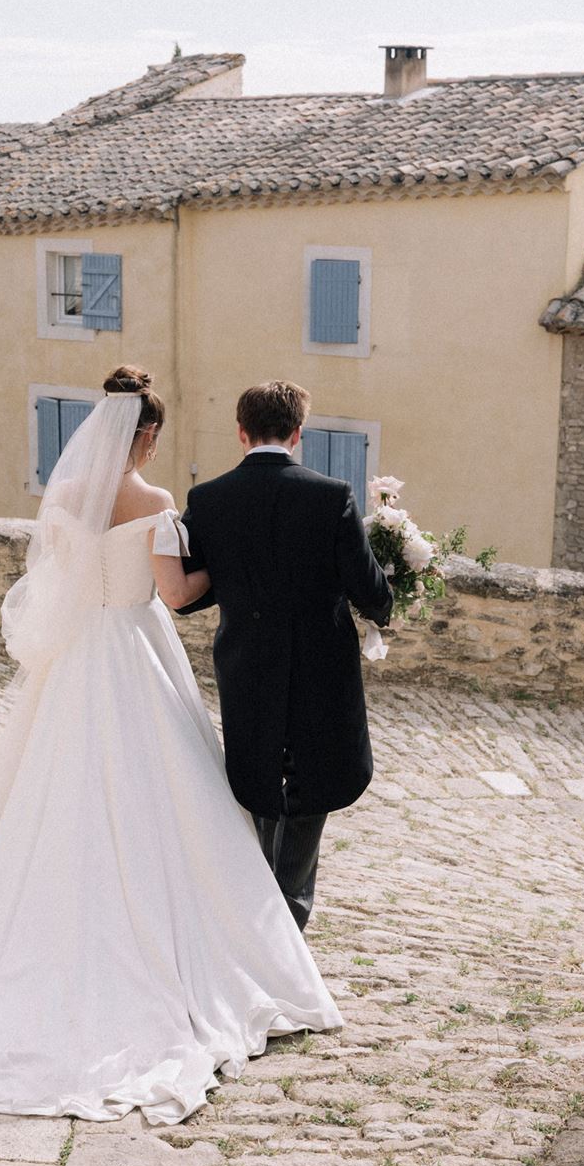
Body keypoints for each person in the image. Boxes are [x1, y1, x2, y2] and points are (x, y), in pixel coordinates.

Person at [0, 366, 340, 1125]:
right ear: (146, 435)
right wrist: (225, 567)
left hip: (75, 660)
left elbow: (58, 578)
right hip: (135, 647)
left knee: (55, 790)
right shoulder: (155, 502)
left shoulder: (63, 496)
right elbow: (177, 592)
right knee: (166, 792)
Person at [176, 380, 394, 931]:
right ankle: (285, 924)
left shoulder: (208, 500)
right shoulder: (332, 496)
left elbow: (189, 595)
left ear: (241, 432)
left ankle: (257, 916)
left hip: (247, 666)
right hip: (321, 671)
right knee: (311, 787)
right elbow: (373, 595)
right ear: (298, 433)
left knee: (259, 783)